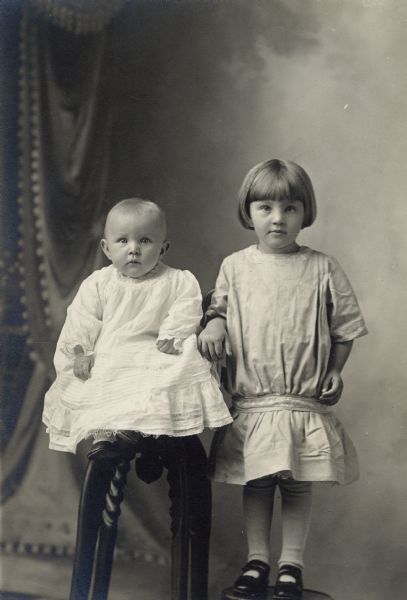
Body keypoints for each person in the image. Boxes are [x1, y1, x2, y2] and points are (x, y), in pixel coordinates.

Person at [198, 159, 367, 600]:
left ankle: (292, 564)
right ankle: (257, 560)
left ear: (304, 213)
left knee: (295, 482)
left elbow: (345, 327)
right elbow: (218, 309)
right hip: (254, 398)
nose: (278, 218)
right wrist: (214, 324)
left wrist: (334, 370)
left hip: (300, 398)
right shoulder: (235, 266)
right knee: (258, 480)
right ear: (248, 212)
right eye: (265, 207)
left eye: (290, 208)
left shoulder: (322, 267)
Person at [43, 198, 232, 458]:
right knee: (103, 374)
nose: (133, 249)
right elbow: (82, 318)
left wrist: (173, 335)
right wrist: (81, 350)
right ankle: (105, 436)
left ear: (163, 249)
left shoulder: (177, 280)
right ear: (107, 248)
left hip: (158, 349)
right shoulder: (99, 283)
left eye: (144, 241)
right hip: (113, 350)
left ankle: (152, 430)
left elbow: (186, 309)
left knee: (168, 373)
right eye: (123, 241)